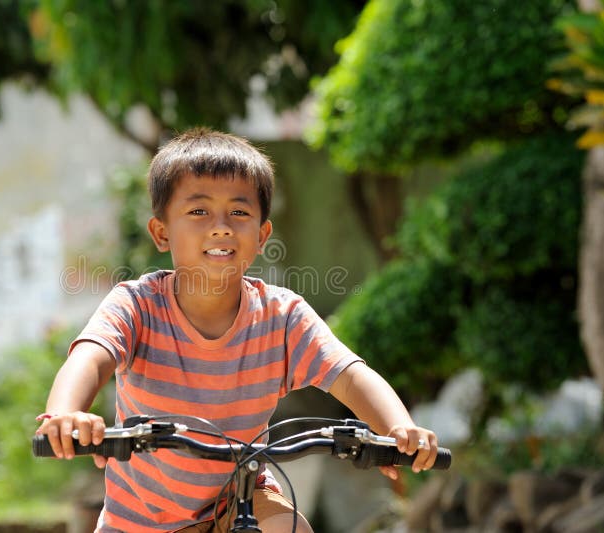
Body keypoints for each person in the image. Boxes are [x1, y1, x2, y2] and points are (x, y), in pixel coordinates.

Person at [37, 128, 439, 533]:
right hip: (139, 520)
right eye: (198, 212)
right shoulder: (137, 305)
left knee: (290, 528)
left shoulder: (281, 317)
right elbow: (90, 356)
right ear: (161, 233)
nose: (222, 227)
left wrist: (397, 429)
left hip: (241, 500)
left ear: (262, 235)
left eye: (239, 213)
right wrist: (68, 413)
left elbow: (351, 377)